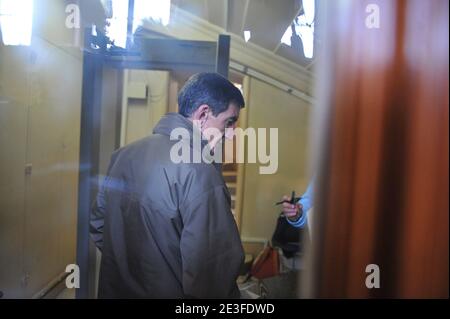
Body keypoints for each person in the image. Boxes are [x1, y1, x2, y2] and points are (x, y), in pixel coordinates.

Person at [90, 72, 245, 298]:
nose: (230, 135)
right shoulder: (201, 173)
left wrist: (136, 272)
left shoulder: (123, 155)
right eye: (229, 122)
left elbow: (98, 224)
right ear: (203, 114)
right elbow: (212, 276)